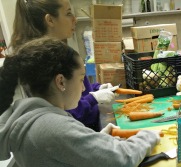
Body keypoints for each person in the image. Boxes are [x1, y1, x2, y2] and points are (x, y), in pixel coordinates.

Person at [0, 37, 160, 167]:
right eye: (81, 80)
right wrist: (148, 135)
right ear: (61, 82)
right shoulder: (52, 127)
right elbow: (123, 160)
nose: (84, 89)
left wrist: (94, 139)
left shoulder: (26, 115)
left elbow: (66, 154)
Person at [10, 0, 115, 132]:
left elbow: (76, 89)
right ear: (50, 20)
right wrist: (93, 98)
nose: (75, 20)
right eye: (68, 14)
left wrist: (97, 88)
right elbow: (65, 112)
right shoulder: (43, 62)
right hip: (79, 130)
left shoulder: (60, 52)